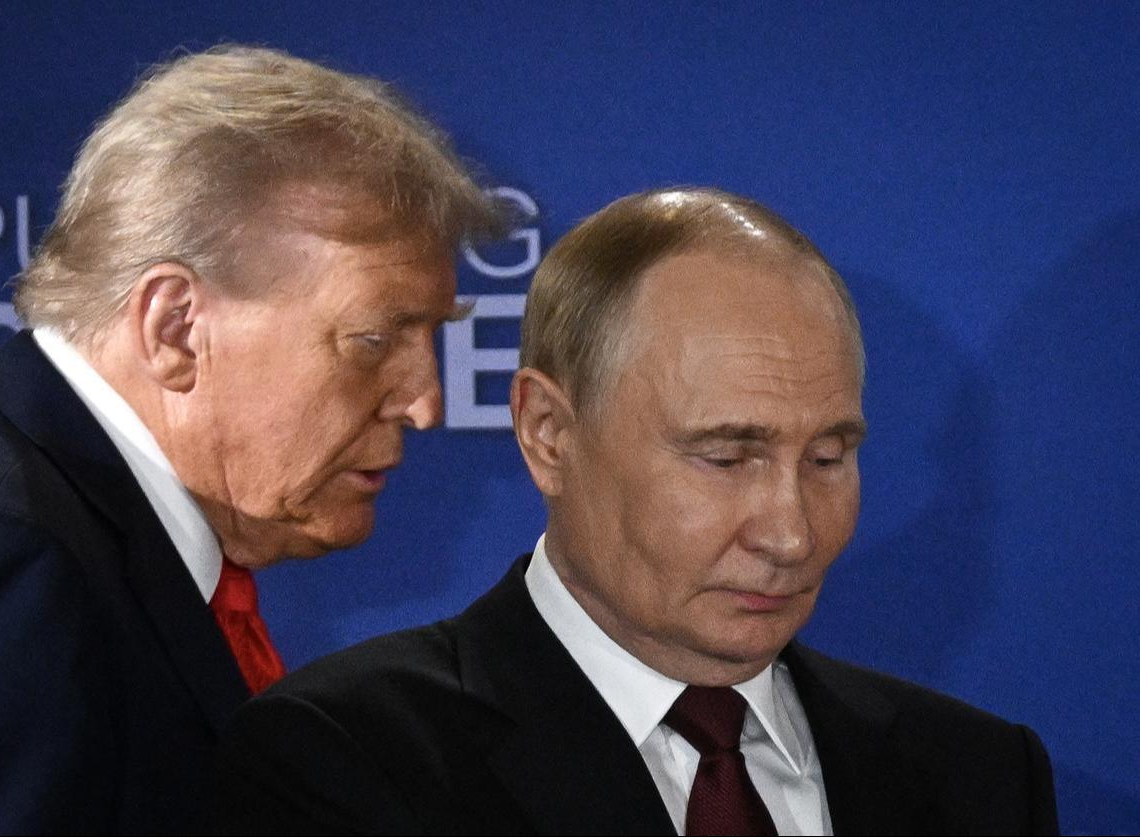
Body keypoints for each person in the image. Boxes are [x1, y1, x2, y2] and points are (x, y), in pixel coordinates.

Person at [216, 188, 1059, 835]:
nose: (792, 532)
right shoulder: (347, 760)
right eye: (726, 458)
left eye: (829, 458)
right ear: (548, 432)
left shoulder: (979, 777)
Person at [0, 45, 498, 834]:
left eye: (430, 339)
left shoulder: (58, 519)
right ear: (175, 328)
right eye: (373, 338)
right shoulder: (4, 567)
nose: (427, 403)